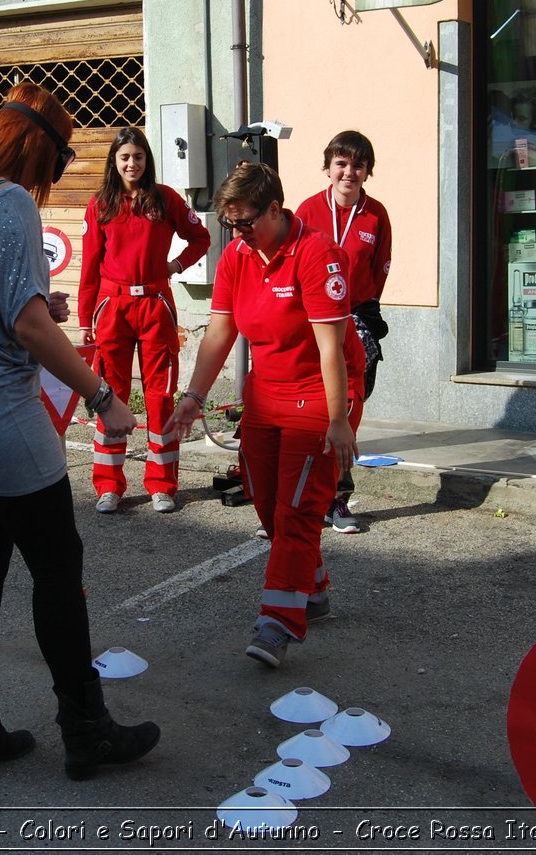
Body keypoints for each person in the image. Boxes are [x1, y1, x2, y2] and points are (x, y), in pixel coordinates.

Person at [0, 83, 160, 781]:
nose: (52, 179)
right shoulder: (11, 201)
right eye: (60, 159)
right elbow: (23, 326)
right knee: (57, 567)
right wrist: (103, 395)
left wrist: (38, 309)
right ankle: (86, 729)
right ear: (40, 150)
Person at [163, 161, 361, 669]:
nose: (239, 234)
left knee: (297, 510)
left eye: (247, 222)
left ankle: (277, 621)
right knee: (271, 505)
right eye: (230, 225)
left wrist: (339, 421)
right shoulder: (237, 256)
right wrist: (193, 397)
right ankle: (312, 591)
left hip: (320, 393)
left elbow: (331, 351)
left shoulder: (318, 255)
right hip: (267, 394)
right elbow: (220, 333)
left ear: (276, 208)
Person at [78, 127, 212, 514]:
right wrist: (86, 317)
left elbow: (200, 238)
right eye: (124, 157)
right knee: (110, 396)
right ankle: (109, 486)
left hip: (156, 306)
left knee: (160, 397)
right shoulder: (100, 204)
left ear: (146, 160)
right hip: (112, 308)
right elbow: (89, 267)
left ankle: (162, 485)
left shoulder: (165, 199)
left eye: (138, 156)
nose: (131, 163)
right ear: (114, 162)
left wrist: (176, 265)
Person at [294, 131, 392, 534]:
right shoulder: (306, 211)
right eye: (341, 163)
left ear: (367, 171)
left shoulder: (376, 214)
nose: (349, 172)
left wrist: (359, 314)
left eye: (358, 165)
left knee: (349, 410)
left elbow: (380, 268)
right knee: (315, 409)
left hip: (357, 319)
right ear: (328, 167)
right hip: (314, 320)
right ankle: (309, 495)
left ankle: (338, 499)